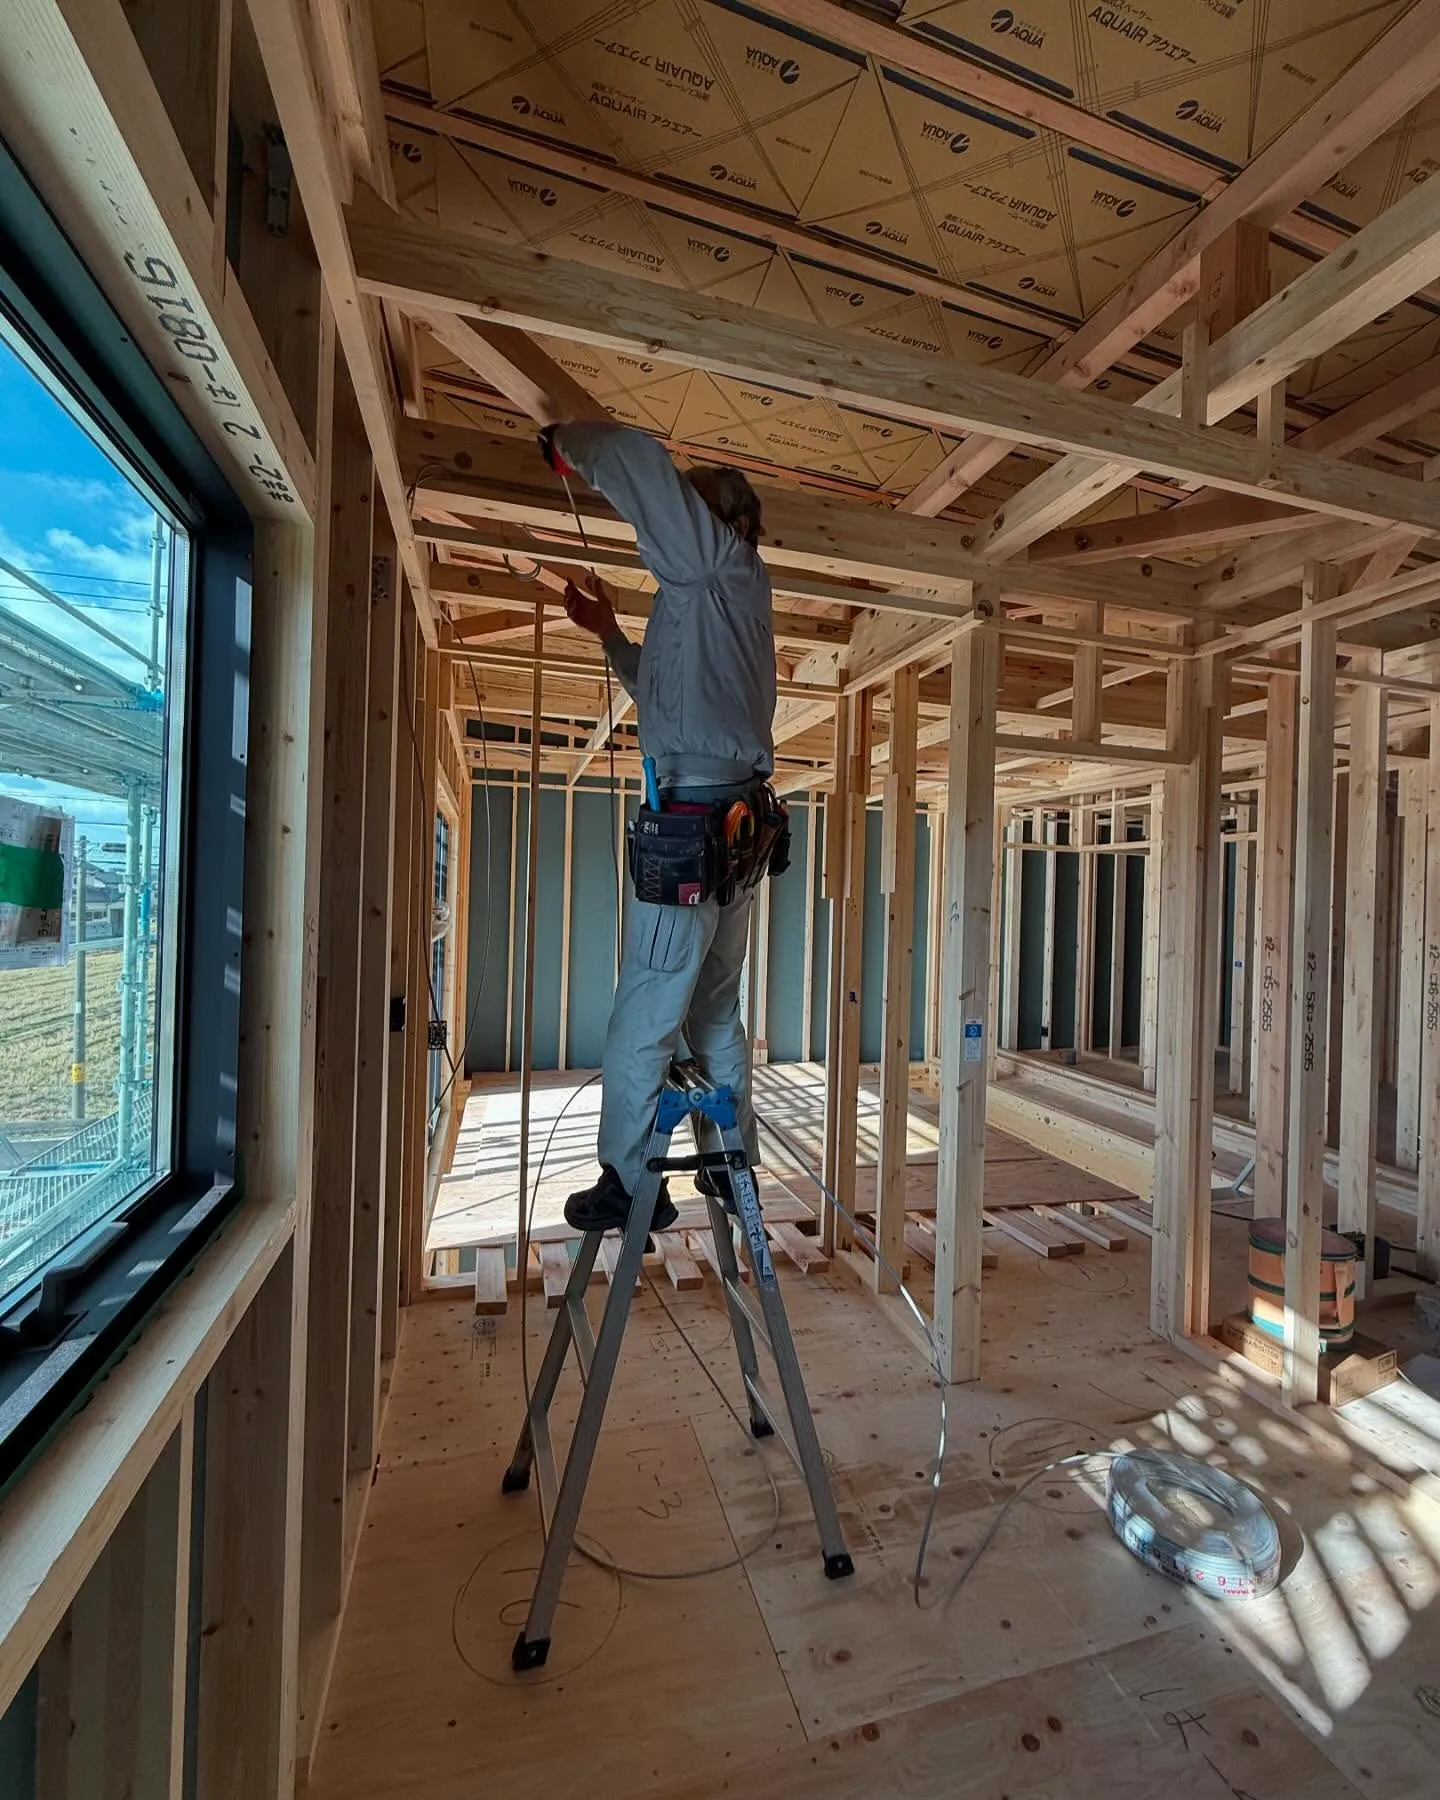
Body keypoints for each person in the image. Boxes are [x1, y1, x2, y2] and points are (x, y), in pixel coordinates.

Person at [537, 419, 776, 1233]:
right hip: (728, 827)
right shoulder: (713, 596)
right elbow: (671, 701)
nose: (684, 519)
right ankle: (728, 1157)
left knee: (647, 1003)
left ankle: (631, 1179)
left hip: (703, 826)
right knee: (711, 1006)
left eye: (696, 510)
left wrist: (573, 441)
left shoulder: (717, 565)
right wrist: (609, 634)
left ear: (731, 525)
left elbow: (640, 462)